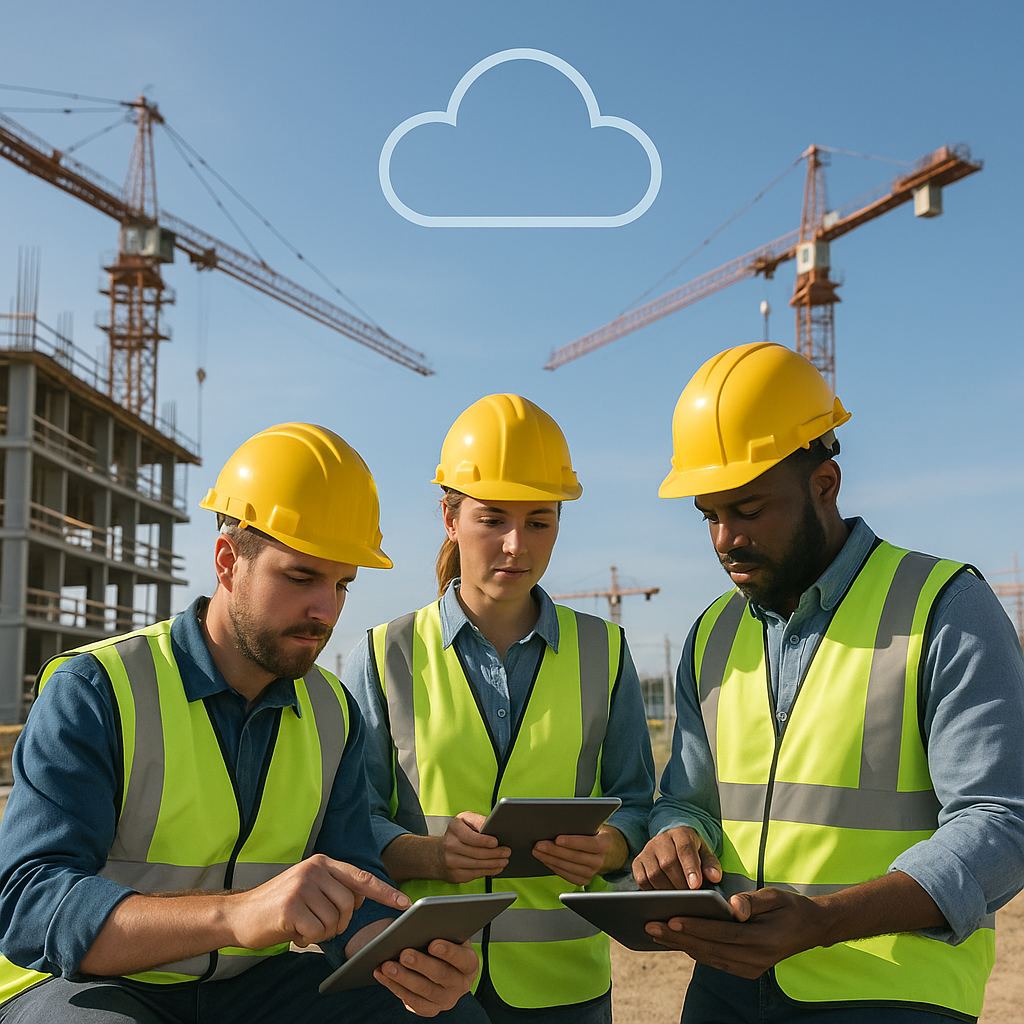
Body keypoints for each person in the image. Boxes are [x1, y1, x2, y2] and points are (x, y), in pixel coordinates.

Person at [0, 422, 486, 1024]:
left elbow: (355, 887)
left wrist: (397, 960)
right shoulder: (97, 690)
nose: (326, 610)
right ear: (228, 561)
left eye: (342, 584)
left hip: (251, 987)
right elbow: (30, 905)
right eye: (302, 576)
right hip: (89, 985)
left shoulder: (333, 712)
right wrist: (236, 913)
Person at [633, 342, 1024, 1023]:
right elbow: (688, 799)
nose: (725, 537)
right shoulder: (712, 634)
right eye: (709, 515)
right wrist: (676, 836)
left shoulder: (944, 606)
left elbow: (1000, 824)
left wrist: (823, 920)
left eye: (749, 509)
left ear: (825, 485)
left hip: (896, 993)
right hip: (727, 992)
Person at [345, 394, 656, 1024]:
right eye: (493, 520)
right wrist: (433, 856)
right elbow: (349, 825)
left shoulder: (605, 650)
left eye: (540, 522)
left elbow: (640, 804)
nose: (517, 546)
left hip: (565, 990)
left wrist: (606, 849)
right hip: (420, 980)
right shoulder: (382, 654)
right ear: (450, 519)